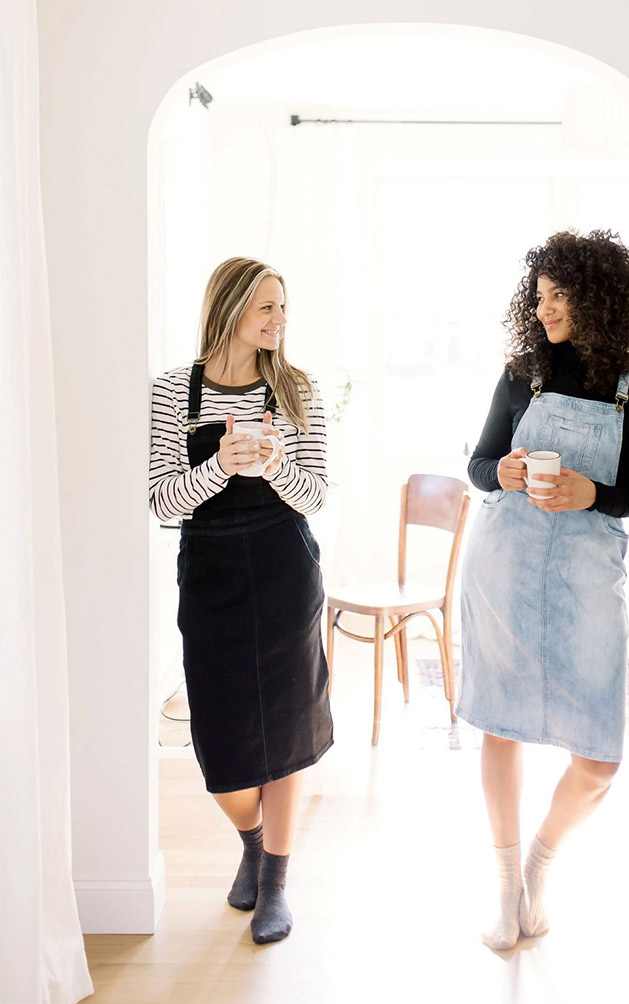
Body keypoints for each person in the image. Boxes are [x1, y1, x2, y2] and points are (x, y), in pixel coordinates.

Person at [455, 230, 629, 950]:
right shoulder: (523, 374)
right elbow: (479, 466)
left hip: (587, 571)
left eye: (557, 295)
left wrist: (590, 493)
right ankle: (507, 887)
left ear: (595, 295)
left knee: (599, 758)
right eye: (537, 297)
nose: (542, 309)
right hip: (505, 560)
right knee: (501, 721)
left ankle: (542, 863)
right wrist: (505, 473)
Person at [149, 257, 333, 944]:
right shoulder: (175, 393)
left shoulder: (297, 392)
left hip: (285, 570)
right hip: (211, 576)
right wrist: (219, 466)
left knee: (287, 735)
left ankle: (276, 885)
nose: (280, 322)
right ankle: (253, 842)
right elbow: (161, 501)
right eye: (266, 308)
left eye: (283, 307)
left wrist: (276, 464)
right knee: (222, 748)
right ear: (229, 309)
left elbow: (315, 495)